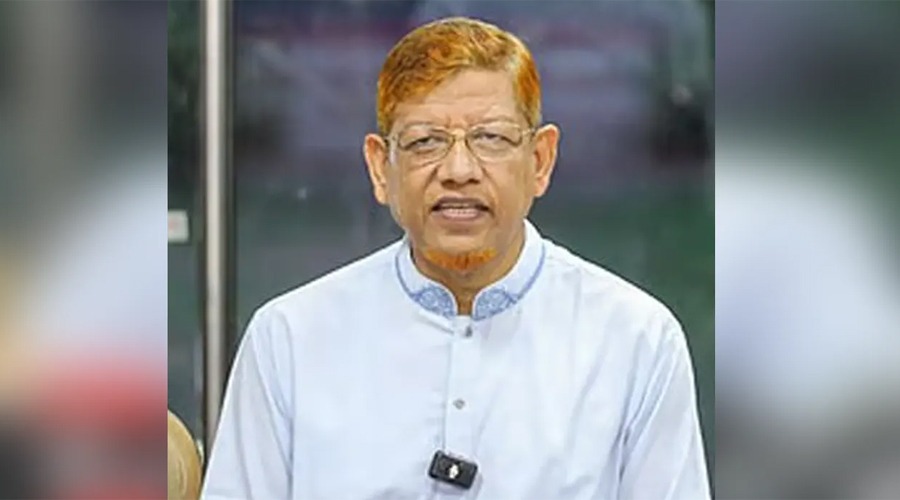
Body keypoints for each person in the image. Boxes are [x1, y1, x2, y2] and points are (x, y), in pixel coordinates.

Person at [201, 17, 709, 499]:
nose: (459, 170)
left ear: (540, 160)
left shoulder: (635, 340)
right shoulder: (290, 340)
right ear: (380, 168)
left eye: (491, 139)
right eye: (425, 142)